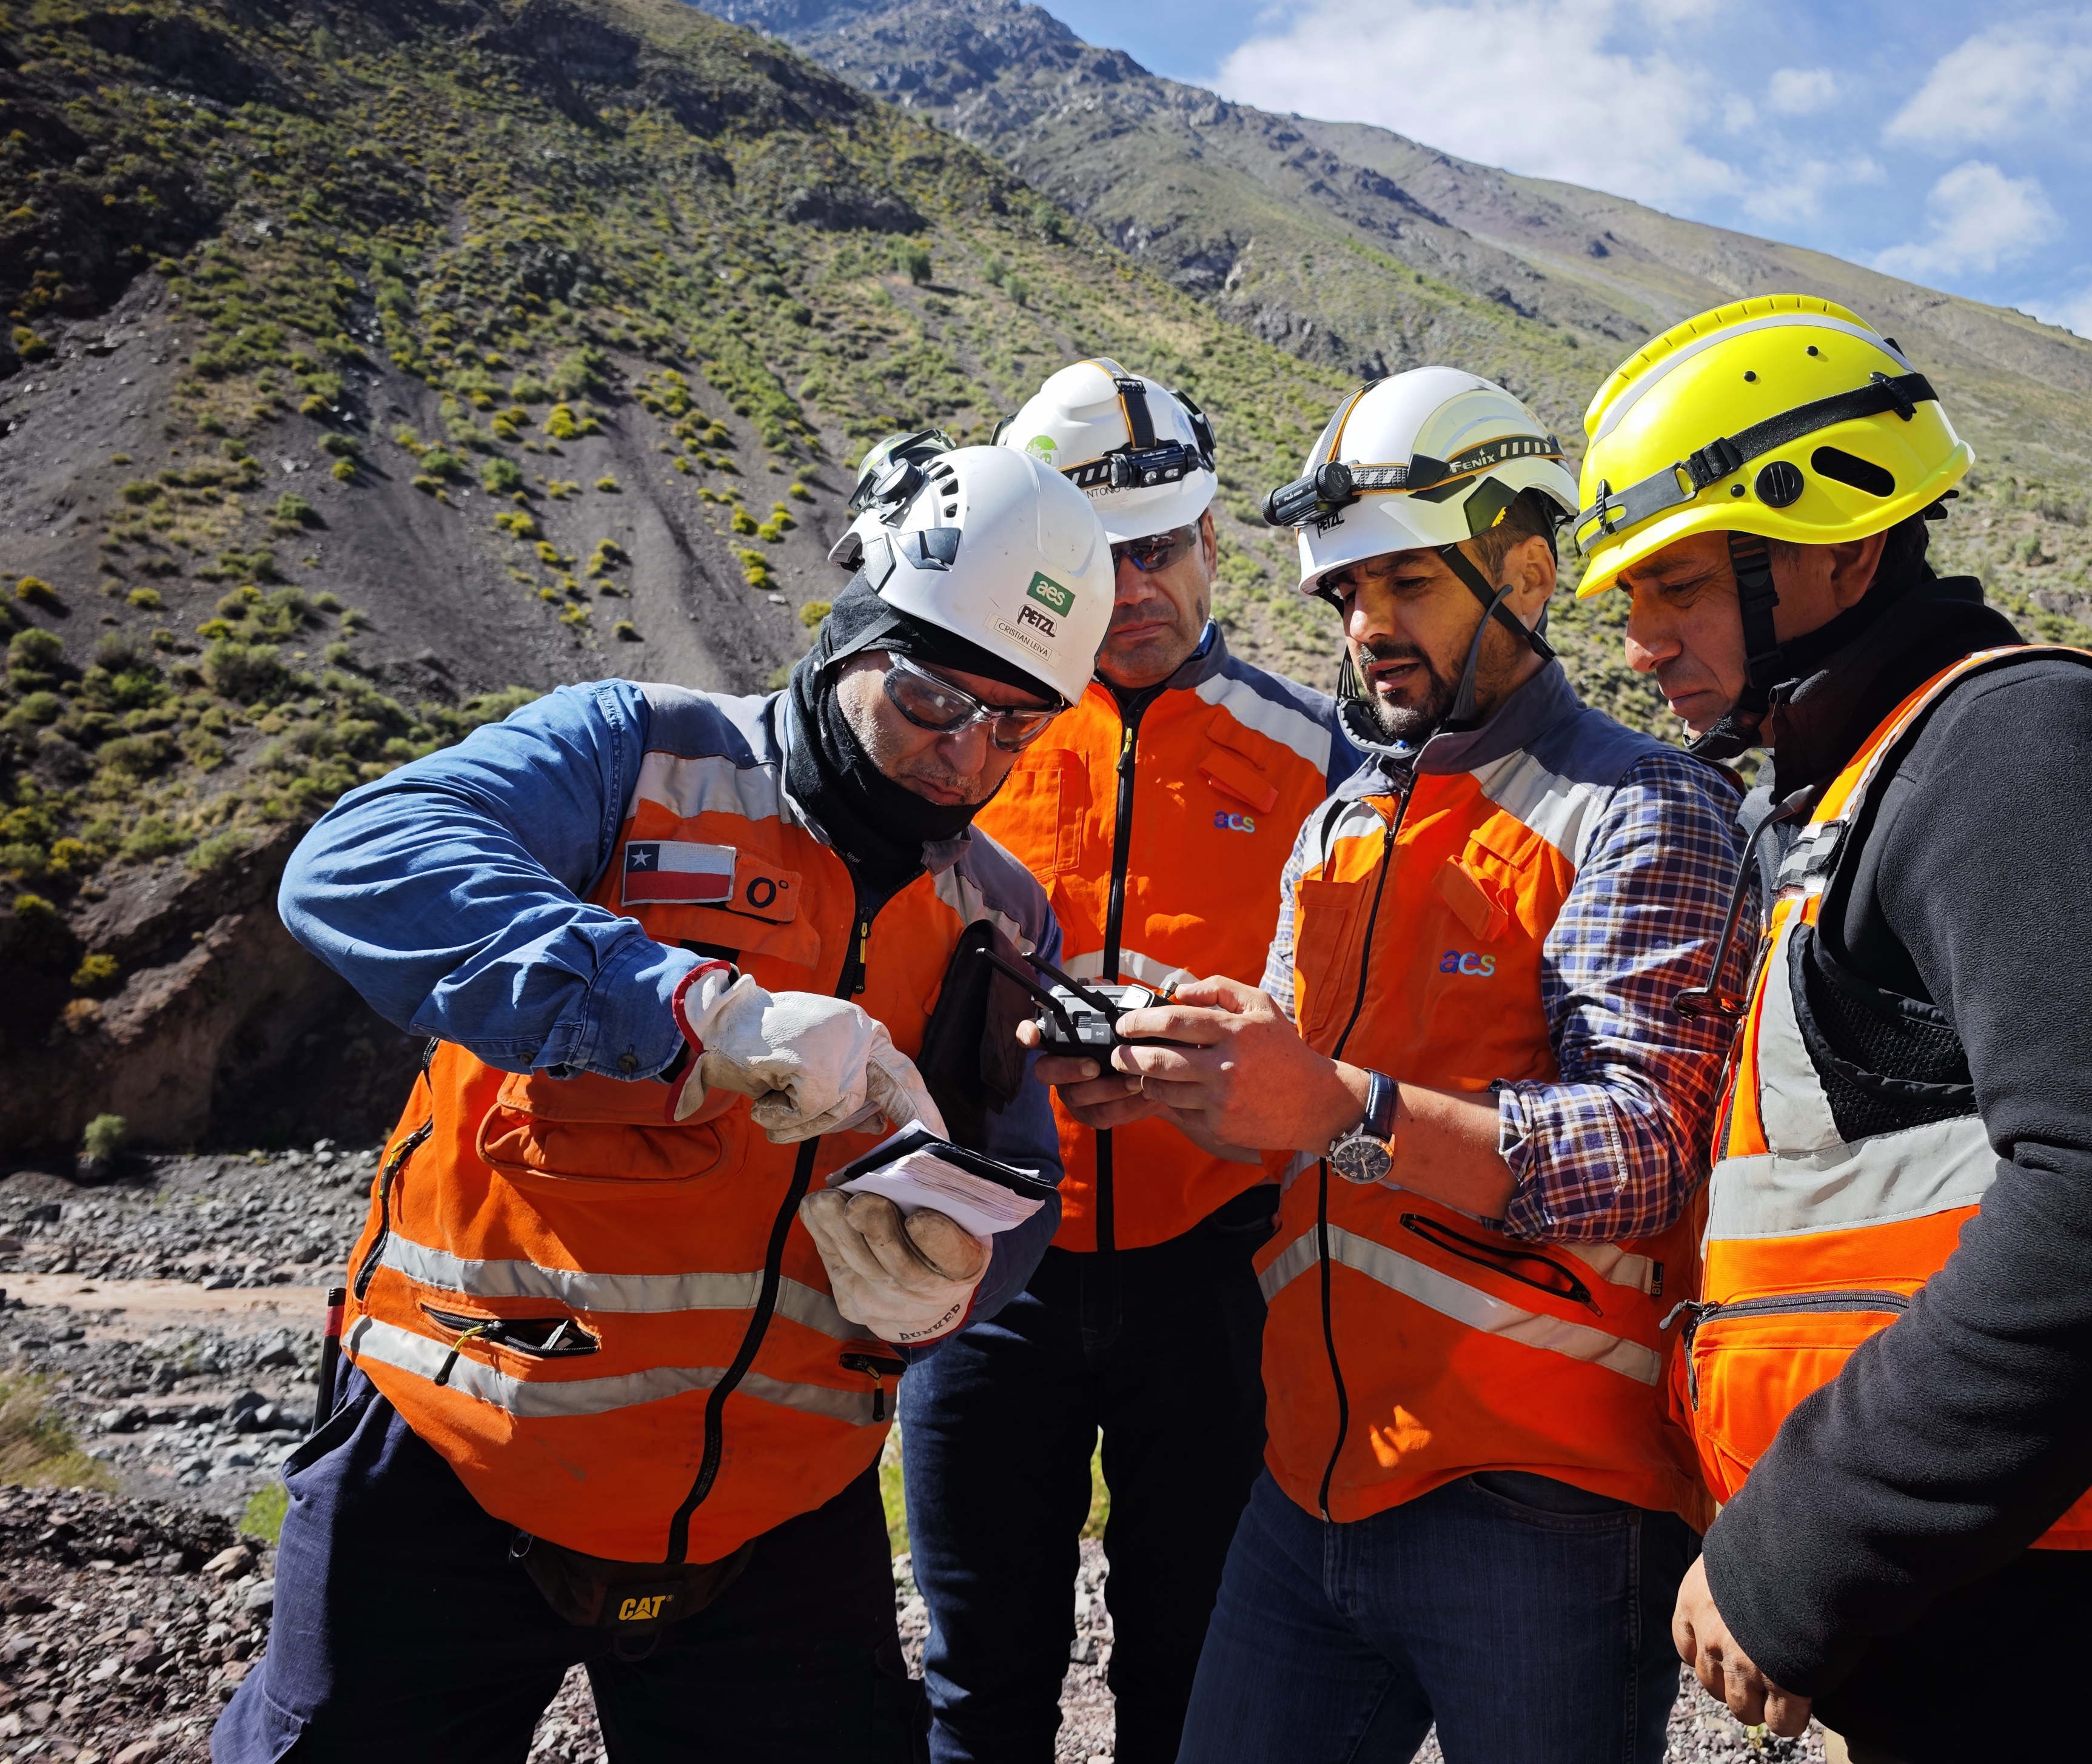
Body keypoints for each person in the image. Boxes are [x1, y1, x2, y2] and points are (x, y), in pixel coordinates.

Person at [1565, 293, 2092, 1762]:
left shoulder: (2021, 757)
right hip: (1996, 1631)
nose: (1638, 647)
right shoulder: (1854, 795)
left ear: (1836, 542)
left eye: (1677, 587)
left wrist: (1800, 1546)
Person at [216, 446, 1116, 1763]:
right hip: (459, 1470)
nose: (965, 755)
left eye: (1016, 723)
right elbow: (358, 866)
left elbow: (1012, 1169)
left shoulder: (999, 912)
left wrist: (961, 1276)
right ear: (853, 626)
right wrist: (695, 1013)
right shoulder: (628, 758)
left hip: (777, 1519)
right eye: (930, 698)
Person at [1039, 367, 1747, 1764]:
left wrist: (1337, 1106)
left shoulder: (1639, 809)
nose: (1366, 628)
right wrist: (1195, 1079)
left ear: (1529, 572)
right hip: (1307, 1480)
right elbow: (1300, 1117)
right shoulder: (1345, 819)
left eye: (1406, 585)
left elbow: (1644, 1147)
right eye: (1343, 596)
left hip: (1544, 1500)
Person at [899, 361, 1355, 1764]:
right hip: (978, 1263)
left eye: (1159, 547)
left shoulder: (1315, 757)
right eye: (1096, 557)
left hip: (1213, 1270)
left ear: (1215, 541)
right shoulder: (959, 737)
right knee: (979, 1673)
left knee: (1194, 1667)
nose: (1135, 587)